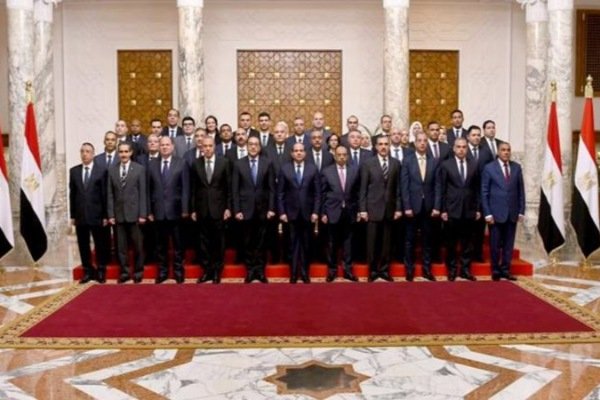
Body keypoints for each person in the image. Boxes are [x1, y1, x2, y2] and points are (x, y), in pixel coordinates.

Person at [232, 136, 276, 283]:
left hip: (263, 209)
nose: (253, 147)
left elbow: (272, 188)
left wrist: (271, 208)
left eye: (256, 144)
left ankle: (260, 271)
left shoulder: (267, 163)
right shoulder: (238, 164)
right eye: (250, 144)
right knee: (248, 242)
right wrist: (237, 210)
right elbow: (235, 189)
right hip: (245, 210)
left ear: (260, 147)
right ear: (246, 146)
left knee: (261, 242)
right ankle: (250, 271)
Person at [359, 135, 402, 282]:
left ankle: (384, 270)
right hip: (372, 209)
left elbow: (398, 188)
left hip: (389, 209)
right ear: (376, 147)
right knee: (371, 243)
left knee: (386, 244)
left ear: (389, 146)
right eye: (381, 144)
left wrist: (398, 208)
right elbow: (363, 188)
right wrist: (363, 209)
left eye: (386, 144)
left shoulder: (396, 163)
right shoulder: (368, 164)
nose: (383, 147)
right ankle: (372, 271)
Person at [147, 136, 189, 284]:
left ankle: (178, 272)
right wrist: (149, 211)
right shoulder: (152, 164)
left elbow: (185, 188)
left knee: (178, 245)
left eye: (167, 144)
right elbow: (148, 189)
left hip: (176, 211)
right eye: (162, 145)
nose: (164, 147)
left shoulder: (181, 163)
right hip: (158, 211)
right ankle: (163, 272)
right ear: (159, 147)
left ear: (172, 147)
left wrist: (185, 209)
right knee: (161, 246)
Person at [277, 143, 321, 283]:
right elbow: (280, 193)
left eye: (301, 150)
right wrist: (282, 212)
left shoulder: (312, 169)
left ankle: (305, 273)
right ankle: (293, 274)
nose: (299, 153)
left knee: (306, 245)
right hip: (290, 214)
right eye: (296, 151)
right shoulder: (285, 169)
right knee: (292, 245)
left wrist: (316, 212)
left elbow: (317, 193)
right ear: (291, 153)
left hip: (308, 214)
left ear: (305, 153)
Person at [191, 137, 232, 284]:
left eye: (210, 146)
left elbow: (229, 188)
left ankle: (216, 271)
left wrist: (228, 208)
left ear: (215, 147)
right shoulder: (196, 163)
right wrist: (193, 209)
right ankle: (206, 271)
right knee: (203, 242)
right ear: (201, 147)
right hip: (201, 208)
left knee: (218, 242)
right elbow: (193, 189)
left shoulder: (224, 162)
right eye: (205, 146)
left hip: (219, 209)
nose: (207, 149)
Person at [481, 142, 525, 281]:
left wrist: (521, 210)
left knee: (508, 245)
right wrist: (487, 213)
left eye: (508, 150)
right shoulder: (489, 168)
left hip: (512, 213)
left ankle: (506, 270)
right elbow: (484, 192)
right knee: (494, 245)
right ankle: (495, 270)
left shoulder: (516, 167)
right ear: (498, 152)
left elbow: (521, 191)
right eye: (503, 150)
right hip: (495, 214)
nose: (506, 152)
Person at [438, 137, 480, 281]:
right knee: (451, 243)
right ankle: (452, 270)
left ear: (467, 149)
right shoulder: (446, 165)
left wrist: (478, 209)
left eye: (464, 147)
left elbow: (477, 189)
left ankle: (465, 270)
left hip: (469, 209)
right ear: (454, 148)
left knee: (467, 243)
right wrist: (443, 209)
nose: (461, 150)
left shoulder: (474, 164)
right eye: (459, 147)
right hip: (451, 209)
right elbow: (442, 189)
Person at [402, 132, 441, 281]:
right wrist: (407, 206)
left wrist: (437, 206)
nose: (423, 143)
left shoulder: (434, 161)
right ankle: (409, 270)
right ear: (415, 143)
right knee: (409, 240)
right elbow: (404, 186)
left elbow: (438, 186)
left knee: (427, 240)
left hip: (429, 207)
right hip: (412, 207)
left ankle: (426, 269)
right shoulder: (407, 160)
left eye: (425, 141)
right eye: (420, 141)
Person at [107, 142, 147, 283]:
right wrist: (111, 215)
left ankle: (138, 272)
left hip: (135, 214)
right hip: (118, 215)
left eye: (126, 151)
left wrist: (143, 214)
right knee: (121, 247)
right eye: (121, 152)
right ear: (118, 153)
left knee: (138, 246)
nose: (123, 154)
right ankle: (124, 272)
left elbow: (143, 192)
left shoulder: (139, 169)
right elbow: (110, 194)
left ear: (130, 153)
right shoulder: (112, 170)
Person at [69, 142, 110, 284]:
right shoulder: (74, 171)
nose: (84, 154)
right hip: (80, 215)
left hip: (97, 215)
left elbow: (105, 194)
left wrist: (105, 215)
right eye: (82, 151)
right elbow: (72, 195)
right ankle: (87, 270)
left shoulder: (102, 171)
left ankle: (101, 270)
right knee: (83, 244)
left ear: (93, 154)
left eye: (87, 151)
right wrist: (73, 215)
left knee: (100, 244)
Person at [321, 145, 359, 282]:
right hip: (332, 211)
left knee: (348, 243)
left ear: (347, 156)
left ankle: (348, 270)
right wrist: (323, 213)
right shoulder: (327, 172)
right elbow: (322, 193)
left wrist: (359, 210)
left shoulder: (354, 170)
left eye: (344, 154)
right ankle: (332, 271)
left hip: (349, 211)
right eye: (339, 154)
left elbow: (357, 192)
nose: (342, 157)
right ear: (335, 156)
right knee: (332, 243)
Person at [466, 125, 494, 261]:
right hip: (466, 195)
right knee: (467, 228)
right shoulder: (462, 150)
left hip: (482, 194)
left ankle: (478, 254)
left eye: (478, 135)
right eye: (474, 135)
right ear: (468, 137)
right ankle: (466, 255)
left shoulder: (486, 152)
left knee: (480, 228)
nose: (476, 137)